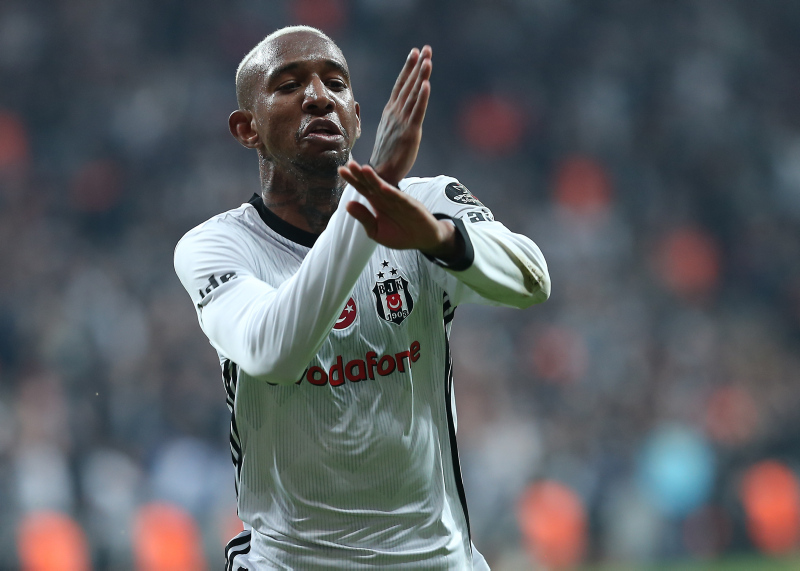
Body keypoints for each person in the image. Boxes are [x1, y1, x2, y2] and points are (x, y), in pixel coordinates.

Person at [174, 25, 550, 570]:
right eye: (288, 85)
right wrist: (372, 193)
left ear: (355, 114)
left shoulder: (425, 204)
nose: (317, 96)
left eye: (334, 83)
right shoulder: (216, 247)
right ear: (246, 128)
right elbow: (273, 352)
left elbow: (533, 280)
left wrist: (439, 238)